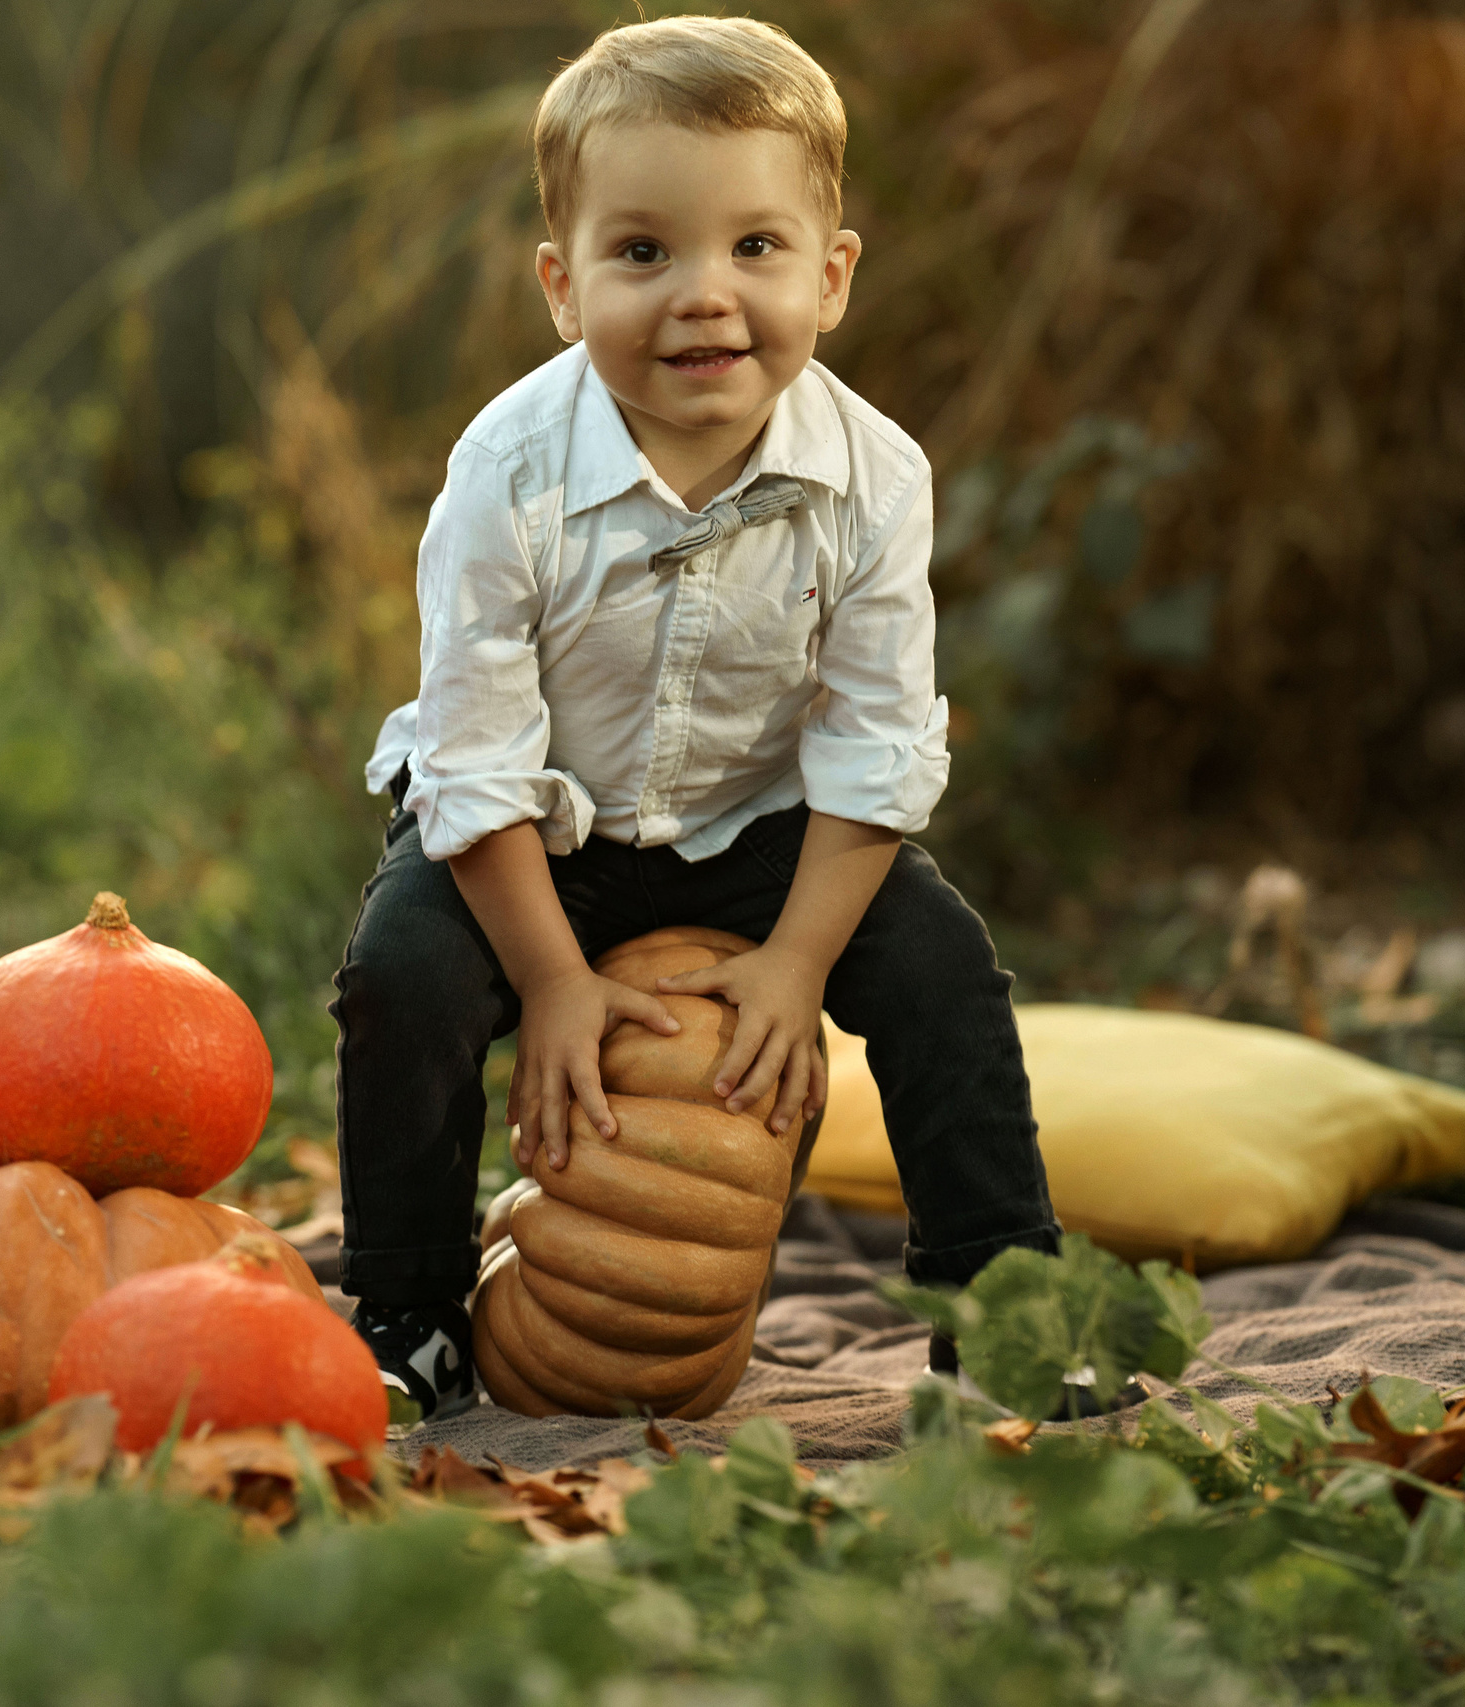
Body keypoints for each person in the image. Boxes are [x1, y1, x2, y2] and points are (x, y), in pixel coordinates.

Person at [332, 15, 1067, 1422]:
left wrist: (796, 966)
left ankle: (1006, 1312)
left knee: (942, 968)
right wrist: (548, 980)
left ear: (832, 275)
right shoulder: (507, 473)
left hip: (769, 830)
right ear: (563, 284)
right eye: (644, 253)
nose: (703, 297)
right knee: (403, 975)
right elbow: (474, 758)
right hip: (535, 832)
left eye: (756, 248)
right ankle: (411, 1308)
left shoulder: (874, 479)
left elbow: (874, 748)